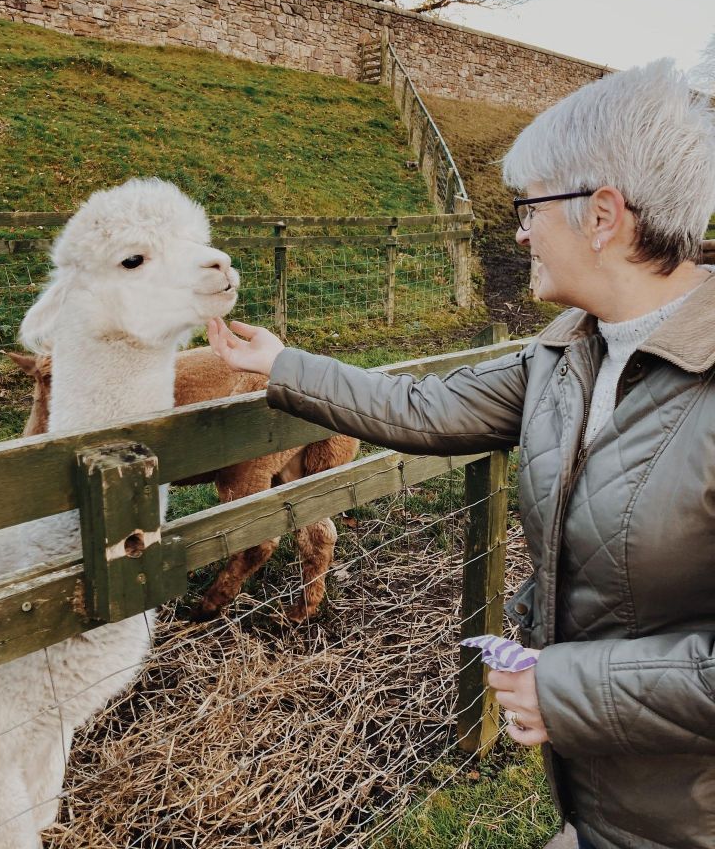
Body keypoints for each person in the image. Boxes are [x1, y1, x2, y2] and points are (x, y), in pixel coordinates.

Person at [206, 60, 715, 849]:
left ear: (603, 216)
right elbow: (425, 407)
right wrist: (281, 367)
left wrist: (567, 689)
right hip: (606, 801)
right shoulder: (566, 356)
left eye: (527, 207)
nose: (517, 231)